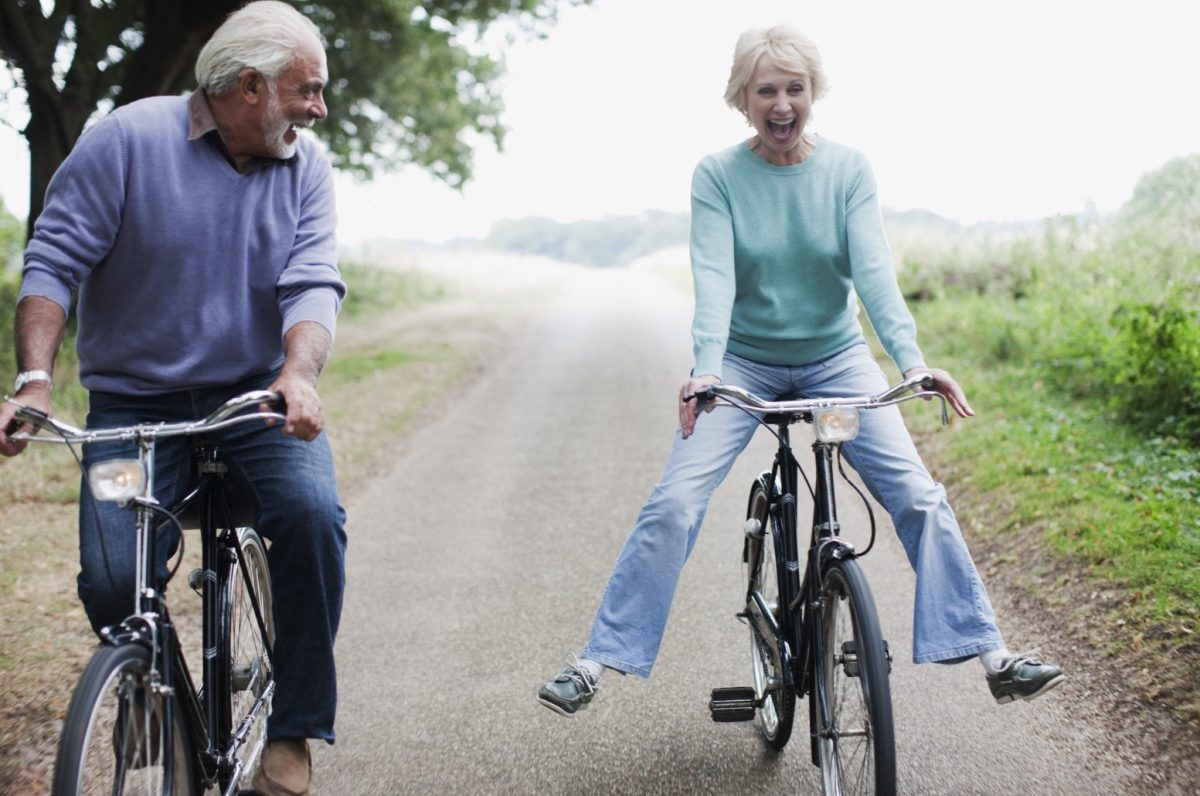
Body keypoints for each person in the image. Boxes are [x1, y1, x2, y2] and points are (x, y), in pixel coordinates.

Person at [537, 24, 1064, 717]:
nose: (782, 104)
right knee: (675, 502)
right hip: (743, 366)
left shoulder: (847, 171)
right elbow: (715, 280)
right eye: (766, 91)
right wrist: (704, 371)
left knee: (917, 494)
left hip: (835, 362)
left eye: (795, 89)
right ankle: (596, 662)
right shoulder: (719, 176)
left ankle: (994, 656)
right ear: (742, 99)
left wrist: (912, 364)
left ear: (813, 94)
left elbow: (874, 276)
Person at [0, 2, 345, 793]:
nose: (318, 110)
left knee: (311, 517)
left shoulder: (308, 168)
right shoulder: (126, 141)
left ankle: (292, 731)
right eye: (308, 90)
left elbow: (312, 284)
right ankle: (150, 686)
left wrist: (298, 374)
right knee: (111, 578)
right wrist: (35, 381)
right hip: (132, 411)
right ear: (251, 85)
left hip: (253, 402)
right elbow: (53, 264)